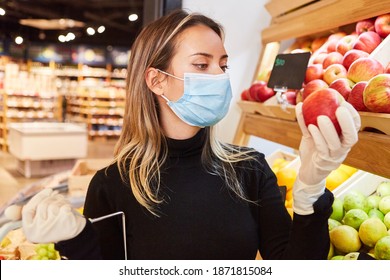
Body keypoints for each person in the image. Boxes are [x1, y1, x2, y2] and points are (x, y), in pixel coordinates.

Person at [20, 9, 361, 260]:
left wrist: (310, 193)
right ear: (156, 81)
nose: (219, 75)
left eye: (223, 65)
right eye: (201, 65)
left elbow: (294, 269)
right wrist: (74, 239)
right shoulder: (112, 184)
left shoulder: (250, 170)